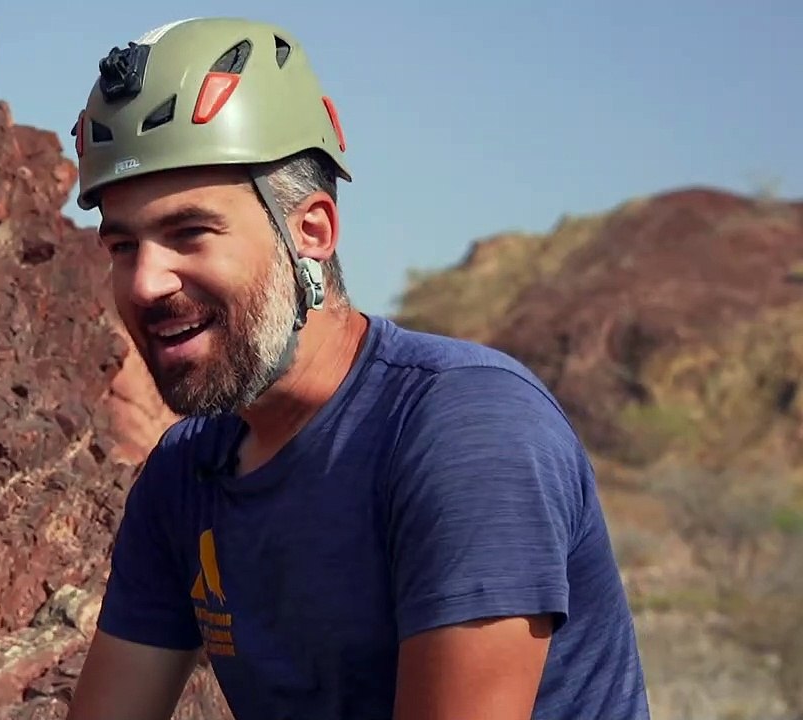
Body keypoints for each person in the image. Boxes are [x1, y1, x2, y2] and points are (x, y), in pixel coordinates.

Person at [65, 16, 650, 720]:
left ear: (310, 231)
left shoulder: (468, 431)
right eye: (123, 246)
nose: (145, 282)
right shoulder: (183, 477)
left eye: (189, 232)